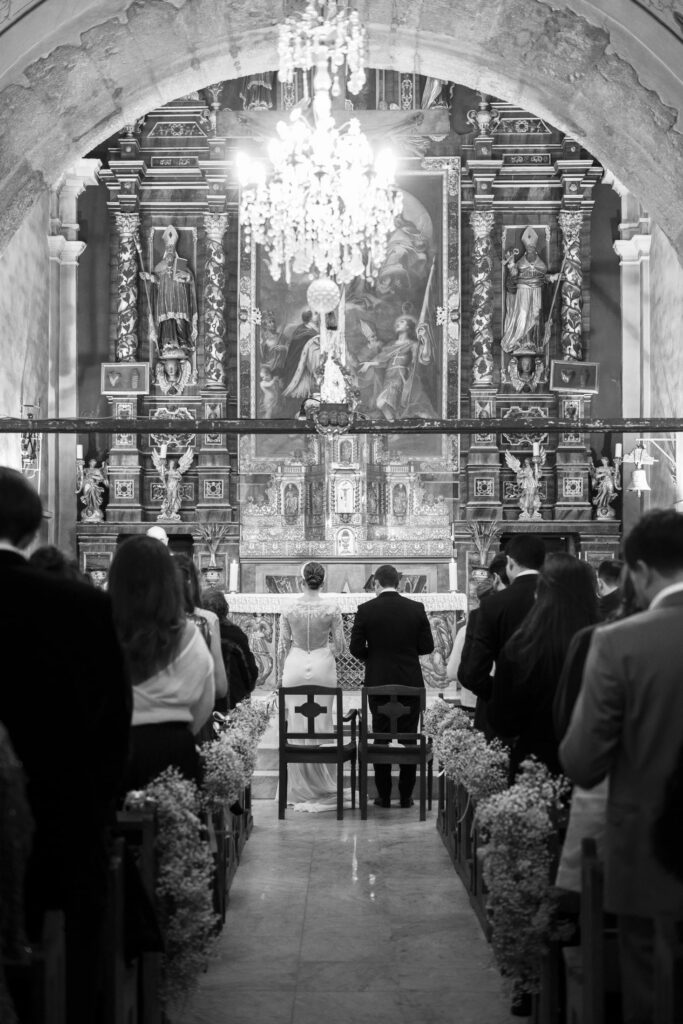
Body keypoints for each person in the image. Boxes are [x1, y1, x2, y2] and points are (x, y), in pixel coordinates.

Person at [0, 467, 131, 1024]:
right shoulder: (81, 608)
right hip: (61, 831)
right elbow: (112, 726)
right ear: (36, 527)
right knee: (72, 980)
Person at [560, 509, 683, 1024]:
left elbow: (583, 761)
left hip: (652, 848)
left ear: (638, 570)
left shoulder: (621, 641)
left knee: (653, 990)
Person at [108, 536, 215, 791]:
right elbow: (205, 701)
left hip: (113, 748)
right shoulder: (188, 633)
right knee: (173, 826)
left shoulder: (99, 631)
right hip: (173, 749)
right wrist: (177, 735)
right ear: (170, 582)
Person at [487, 552, 599, 779]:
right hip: (594, 768)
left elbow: (503, 722)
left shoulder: (521, 646)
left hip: (534, 766)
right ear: (592, 592)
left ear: (540, 593)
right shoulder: (607, 641)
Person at [350, 563, 435, 808]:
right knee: (409, 737)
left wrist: (374, 657)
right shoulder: (416, 608)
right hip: (410, 682)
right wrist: (407, 653)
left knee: (380, 735)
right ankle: (406, 796)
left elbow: (356, 648)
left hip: (378, 681)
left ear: (376, 583)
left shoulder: (366, 609)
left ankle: (384, 796)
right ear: (399, 583)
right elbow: (427, 646)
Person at [458, 535, 545, 739]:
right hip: (551, 715)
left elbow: (471, 674)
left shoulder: (493, 606)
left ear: (511, 564)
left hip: (504, 717)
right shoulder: (563, 600)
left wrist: (502, 692)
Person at [278, 561, 347, 812]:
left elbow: (283, 644)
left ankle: (297, 785)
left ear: (302, 581)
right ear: (323, 581)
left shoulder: (288, 607)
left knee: (295, 724)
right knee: (322, 723)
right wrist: (322, 651)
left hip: (295, 665)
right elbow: (339, 646)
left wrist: (282, 671)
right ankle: (322, 780)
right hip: (322, 665)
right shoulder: (331, 607)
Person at [453, 553, 509, 714]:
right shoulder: (541, 608)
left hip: (486, 701)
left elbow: (469, 674)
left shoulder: (480, 616)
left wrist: (496, 693)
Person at [172, 552, 228, 713]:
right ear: (193, 583)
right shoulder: (207, 620)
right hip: (195, 712)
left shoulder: (145, 619)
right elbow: (219, 687)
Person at [360, 314, 437, 421]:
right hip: (389, 378)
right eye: (398, 322)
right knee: (385, 406)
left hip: (400, 378)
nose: (398, 323)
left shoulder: (412, 344)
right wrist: (369, 364)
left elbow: (425, 358)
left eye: (402, 322)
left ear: (408, 327)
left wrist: (426, 339)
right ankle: (394, 424)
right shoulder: (391, 344)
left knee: (382, 402)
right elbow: (382, 360)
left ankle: (394, 423)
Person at [500, 225, 559, 354]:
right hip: (523, 291)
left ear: (535, 248)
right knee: (522, 315)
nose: (530, 249)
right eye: (528, 247)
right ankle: (520, 341)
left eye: (532, 247)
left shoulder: (540, 262)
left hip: (537, 290)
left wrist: (553, 277)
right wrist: (510, 264)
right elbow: (514, 275)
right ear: (526, 249)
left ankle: (533, 342)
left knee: (535, 316)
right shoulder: (520, 262)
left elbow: (543, 277)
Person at [142, 223, 198, 356]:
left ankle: (183, 343)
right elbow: (157, 283)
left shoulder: (182, 266)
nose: (170, 254)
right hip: (165, 301)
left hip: (180, 300)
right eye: (168, 251)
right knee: (167, 322)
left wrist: (187, 276)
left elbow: (190, 281)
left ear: (175, 253)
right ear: (166, 252)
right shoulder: (159, 267)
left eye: (172, 252)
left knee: (180, 320)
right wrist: (150, 277)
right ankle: (167, 343)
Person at [201, 589, 258, 712]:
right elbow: (250, 673)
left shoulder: (196, 632)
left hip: (203, 705)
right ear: (225, 609)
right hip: (231, 704)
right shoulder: (235, 634)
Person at [151, 445, 194, 521]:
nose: (171, 465)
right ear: (168, 464)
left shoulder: (176, 471)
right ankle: (168, 507)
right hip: (169, 485)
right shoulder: (166, 471)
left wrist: (175, 476)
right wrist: (162, 476)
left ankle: (173, 508)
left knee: (174, 496)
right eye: (170, 464)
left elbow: (180, 477)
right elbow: (162, 477)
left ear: (174, 465)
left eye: (172, 464)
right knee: (168, 497)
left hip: (174, 485)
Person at [76, 458, 109, 523]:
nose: (93, 463)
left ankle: (94, 509)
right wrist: (78, 467)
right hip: (86, 485)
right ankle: (89, 508)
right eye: (92, 462)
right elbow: (80, 477)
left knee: (94, 497)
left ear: (95, 464)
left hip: (93, 486)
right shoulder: (85, 469)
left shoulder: (97, 470)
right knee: (87, 496)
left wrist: (93, 476)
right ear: (89, 462)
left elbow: (101, 478)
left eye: (94, 462)